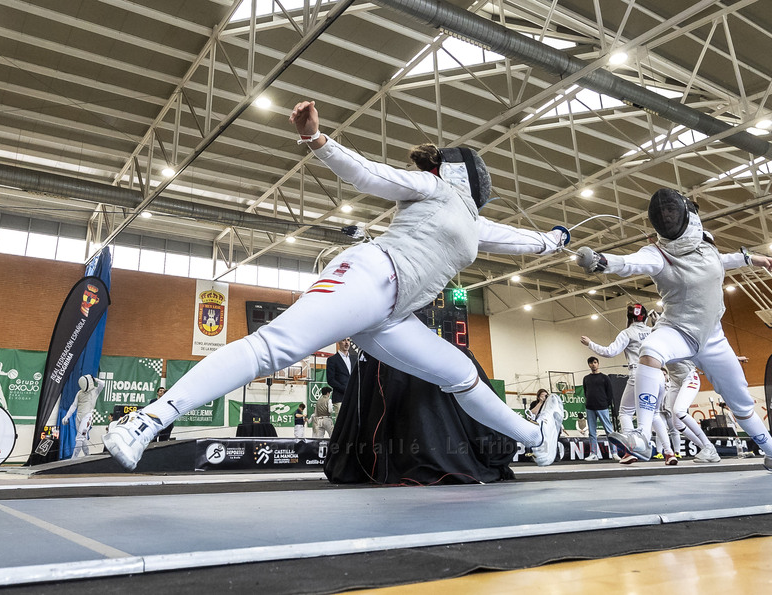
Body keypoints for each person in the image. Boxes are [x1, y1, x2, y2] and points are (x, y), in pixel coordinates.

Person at [104, 99, 569, 470]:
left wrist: (555, 239)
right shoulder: (432, 188)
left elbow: (521, 241)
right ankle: (143, 422)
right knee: (271, 349)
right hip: (371, 274)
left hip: (394, 315)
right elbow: (371, 173)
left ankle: (536, 436)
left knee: (461, 375)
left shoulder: (472, 223)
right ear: (464, 173)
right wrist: (317, 139)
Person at [576, 187, 772, 472]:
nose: (666, 216)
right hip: (678, 330)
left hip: (713, 338)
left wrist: (754, 259)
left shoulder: (707, 247)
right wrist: (601, 261)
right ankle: (642, 437)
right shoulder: (657, 254)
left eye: (671, 211)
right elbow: (630, 263)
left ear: (686, 216)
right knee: (650, 349)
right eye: (662, 213)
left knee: (741, 404)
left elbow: (720, 261)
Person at [581, 303, 651, 431]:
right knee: (653, 415)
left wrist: (590, 344)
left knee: (625, 413)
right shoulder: (653, 331)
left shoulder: (627, 333)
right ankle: (667, 449)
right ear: (645, 316)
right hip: (656, 375)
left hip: (638, 373)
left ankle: (632, 447)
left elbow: (609, 352)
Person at [661, 359, 719, 463]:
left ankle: (708, 446)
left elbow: (705, 355)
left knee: (679, 411)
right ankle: (707, 450)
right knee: (677, 424)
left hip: (690, 377)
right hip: (675, 382)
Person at [61, 374, 104, 459]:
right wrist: (67, 416)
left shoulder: (95, 391)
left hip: (87, 417)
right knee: (82, 439)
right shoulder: (79, 393)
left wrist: (94, 379)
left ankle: (73, 458)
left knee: (80, 438)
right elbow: (74, 405)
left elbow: (102, 383)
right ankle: (87, 456)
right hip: (78, 417)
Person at [582, 357, 616, 461]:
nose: (593, 365)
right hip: (590, 407)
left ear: (598, 364)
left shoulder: (605, 378)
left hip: (602, 407)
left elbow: (609, 393)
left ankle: (614, 453)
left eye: (595, 362)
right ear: (589, 365)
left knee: (609, 431)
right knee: (592, 432)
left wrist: (606, 404)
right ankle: (593, 454)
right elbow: (585, 391)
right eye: (591, 363)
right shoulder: (586, 378)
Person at [325, 339, 356, 405]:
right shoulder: (332, 359)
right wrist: (345, 389)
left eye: (348, 340)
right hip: (340, 398)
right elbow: (330, 380)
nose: (347, 343)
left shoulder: (355, 359)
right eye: (343, 340)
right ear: (338, 342)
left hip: (354, 397)